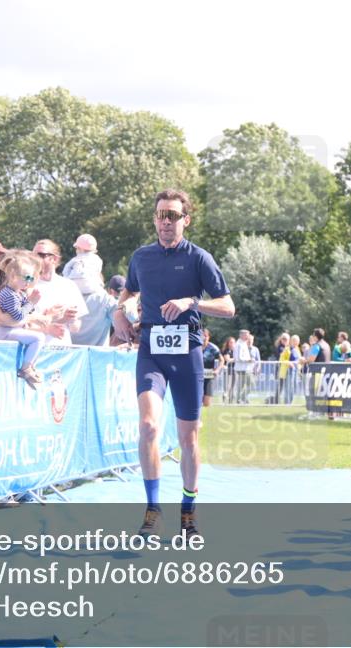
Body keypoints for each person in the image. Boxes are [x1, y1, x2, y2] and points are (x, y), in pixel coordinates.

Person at [111, 188, 235, 537]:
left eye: (174, 216)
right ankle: (153, 509)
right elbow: (128, 293)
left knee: (188, 438)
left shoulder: (199, 258)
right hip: (151, 349)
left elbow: (228, 306)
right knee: (148, 426)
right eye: (161, 215)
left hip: (187, 353)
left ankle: (188, 510)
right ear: (154, 219)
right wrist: (119, 312)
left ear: (186, 220)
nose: (167, 222)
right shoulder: (141, 257)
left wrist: (190, 302)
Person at [0, 254, 46, 389]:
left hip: (14, 330)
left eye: (31, 278)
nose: (28, 282)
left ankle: (29, 366)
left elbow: (27, 311)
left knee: (38, 338)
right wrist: (31, 302)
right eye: (27, 278)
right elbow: (18, 315)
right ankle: (25, 368)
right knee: (39, 338)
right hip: (7, 333)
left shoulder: (18, 293)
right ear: (12, 276)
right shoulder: (9, 294)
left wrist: (31, 304)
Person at [32, 239, 87, 344]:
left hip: (61, 351)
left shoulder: (69, 285)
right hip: (33, 351)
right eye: (33, 255)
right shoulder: (27, 285)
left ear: (54, 259)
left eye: (40, 255)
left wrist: (71, 319)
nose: (35, 259)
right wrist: (54, 318)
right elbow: (22, 322)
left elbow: (75, 328)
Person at [75, 274, 125, 346]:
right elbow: (123, 329)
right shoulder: (107, 301)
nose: (119, 296)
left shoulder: (69, 295)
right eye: (118, 292)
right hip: (99, 353)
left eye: (122, 293)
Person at [201, 327, 223, 407]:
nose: (203, 338)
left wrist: (217, 370)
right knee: (196, 401)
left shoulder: (213, 348)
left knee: (207, 403)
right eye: (201, 336)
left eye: (205, 336)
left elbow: (222, 360)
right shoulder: (194, 347)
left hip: (208, 376)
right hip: (196, 376)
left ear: (208, 337)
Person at [221, 336, 236, 404]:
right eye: (231, 342)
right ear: (228, 343)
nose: (232, 344)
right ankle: (224, 401)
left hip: (234, 371)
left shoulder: (235, 351)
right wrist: (237, 359)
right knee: (227, 386)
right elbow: (228, 359)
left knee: (233, 386)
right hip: (228, 371)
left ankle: (231, 401)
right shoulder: (226, 350)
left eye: (233, 342)